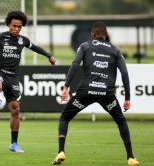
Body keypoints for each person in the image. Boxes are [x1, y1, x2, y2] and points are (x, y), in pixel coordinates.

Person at [52, 22, 139, 166]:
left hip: (85, 92)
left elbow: (74, 65)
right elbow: (124, 72)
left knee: (65, 117)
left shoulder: (85, 46)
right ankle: (130, 157)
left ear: (93, 34)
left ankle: (61, 151)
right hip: (106, 94)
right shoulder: (115, 51)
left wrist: (66, 87)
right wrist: (127, 98)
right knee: (121, 121)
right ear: (106, 35)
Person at [0, 10, 56, 152]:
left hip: (13, 77)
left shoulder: (22, 40)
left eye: (19, 26)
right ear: (8, 24)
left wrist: (49, 56)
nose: (17, 29)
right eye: (14, 26)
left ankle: (14, 144)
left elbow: (36, 48)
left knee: (15, 109)